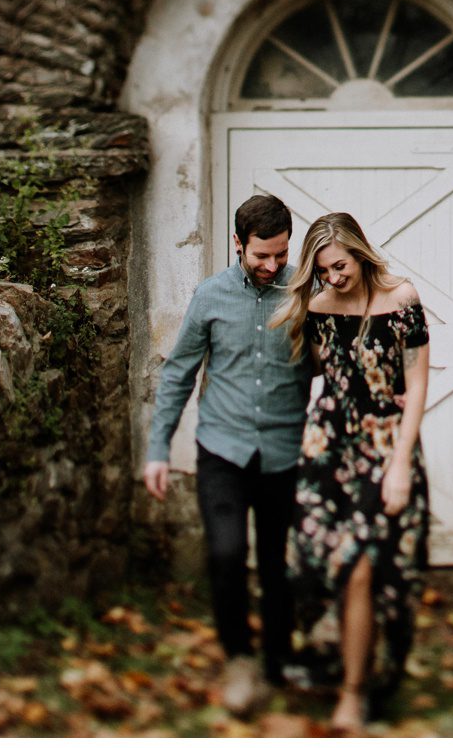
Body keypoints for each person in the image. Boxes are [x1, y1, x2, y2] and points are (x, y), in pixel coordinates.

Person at [142, 193, 306, 715]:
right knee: (226, 554)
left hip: (285, 448)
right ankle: (238, 656)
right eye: (262, 255)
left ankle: (279, 661)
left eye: (280, 254)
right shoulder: (210, 296)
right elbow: (178, 373)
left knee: (280, 564)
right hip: (223, 449)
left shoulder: (307, 289)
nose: (273, 265)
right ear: (238, 244)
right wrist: (157, 450)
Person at [272, 211, 431, 733]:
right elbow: (323, 369)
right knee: (316, 558)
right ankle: (333, 655)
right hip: (328, 445)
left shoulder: (403, 299)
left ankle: (354, 693)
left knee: (363, 565)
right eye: (323, 271)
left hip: (385, 443)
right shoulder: (318, 305)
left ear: (360, 253)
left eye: (340, 266)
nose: (333, 278)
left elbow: (417, 385)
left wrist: (401, 463)